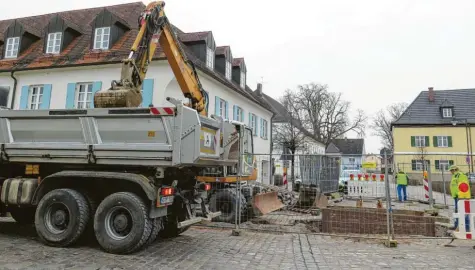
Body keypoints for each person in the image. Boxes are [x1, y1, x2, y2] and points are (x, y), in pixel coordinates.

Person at [449, 165, 471, 231]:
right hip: (457, 196)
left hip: (461, 197)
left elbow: (464, 186)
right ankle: (457, 226)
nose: (451, 172)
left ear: (454, 169)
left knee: (464, 212)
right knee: (457, 212)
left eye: (451, 170)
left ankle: (466, 228)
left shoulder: (461, 175)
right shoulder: (455, 176)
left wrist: (461, 197)